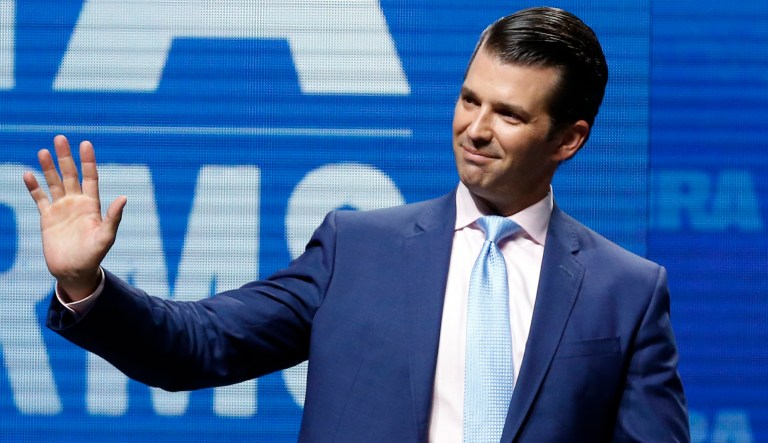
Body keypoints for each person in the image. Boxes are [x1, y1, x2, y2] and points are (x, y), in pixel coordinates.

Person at [23, 6, 689, 443]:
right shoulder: (357, 248)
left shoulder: (625, 290)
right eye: (468, 99)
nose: (475, 130)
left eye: (509, 115)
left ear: (568, 139)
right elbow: (199, 345)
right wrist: (87, 283)